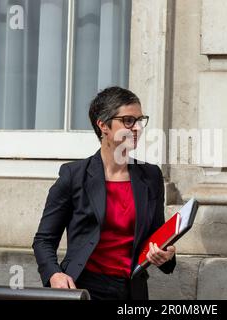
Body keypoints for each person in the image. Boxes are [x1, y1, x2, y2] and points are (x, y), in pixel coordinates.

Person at [32, 86, 176, 300]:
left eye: (140, 120)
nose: (137, 128)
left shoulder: (150, 176)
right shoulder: (74, 175)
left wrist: (166, 255)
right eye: (128, 121)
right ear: (103, 125)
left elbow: (156, 236)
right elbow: (44, 239)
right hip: (85, 288)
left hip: (133, 290)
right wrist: (54, 274)